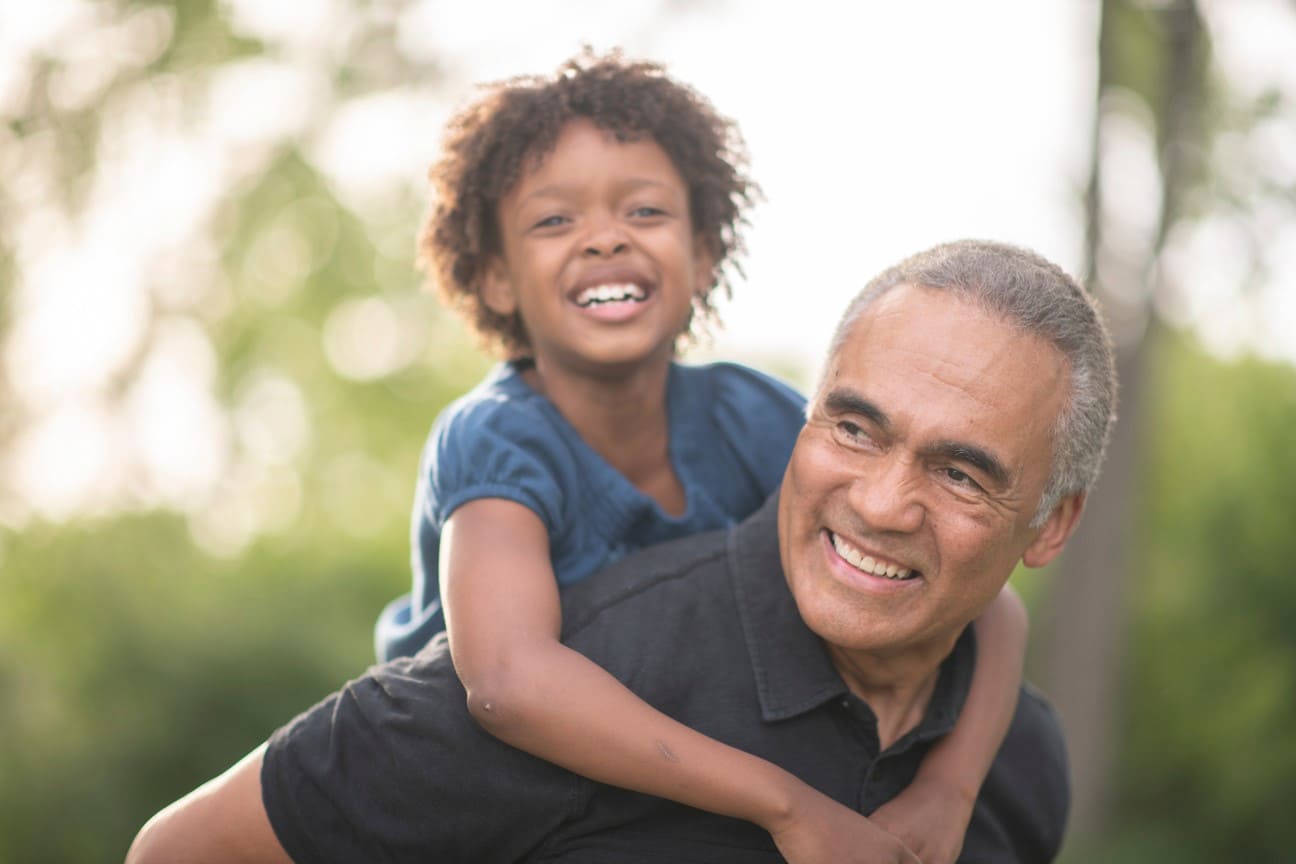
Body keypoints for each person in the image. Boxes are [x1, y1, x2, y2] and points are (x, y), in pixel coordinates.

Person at [125, 238, 1117, 863]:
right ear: (803, 423)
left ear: (1054, 524)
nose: (885, 503)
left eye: (960, 475)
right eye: (855, 430)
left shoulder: (1020, 764)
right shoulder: (584, 670)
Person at [367, 48, 1028, 862]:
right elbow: (508, 686)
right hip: (468, 789)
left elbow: (992, 606)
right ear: (497, 278)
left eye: (644, 212)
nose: (605, 238)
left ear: (704, 254)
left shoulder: (748, 414)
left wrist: (947, 790)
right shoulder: (497, 437)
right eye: (554, 220)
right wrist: (787, 805)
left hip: (660, 773)